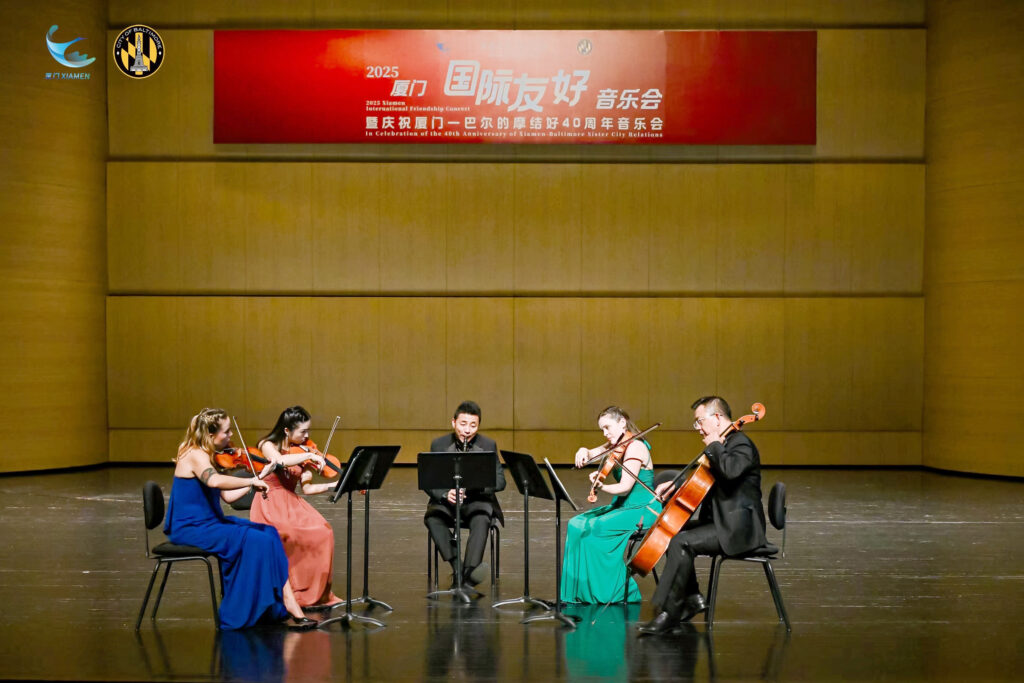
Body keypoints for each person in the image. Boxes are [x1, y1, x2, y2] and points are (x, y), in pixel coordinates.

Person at [166, 408, 317, 630]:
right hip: (192, 528)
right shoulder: (194, 453)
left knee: (269, 533)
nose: (231, 436)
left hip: (210, 523)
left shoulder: (208, 454)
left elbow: (227, 497)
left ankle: (287, 602)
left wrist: (260, 477)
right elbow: (214, 481)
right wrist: (249, 482)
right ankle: (254, 609)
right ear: (210, 434)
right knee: (258, 541)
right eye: (227, 431)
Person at [636, 396, 767, 635]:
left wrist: (715, 445)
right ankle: (692, 598)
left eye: (699, 421)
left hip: (739, 528)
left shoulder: (741, 445)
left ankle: (670, 612)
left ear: (717, 418)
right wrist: (676, 486)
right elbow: (704, 482)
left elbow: (729, 472)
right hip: (720, 521)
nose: (697, 428)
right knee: (672, 531)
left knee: (682, 542)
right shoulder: (723, 443)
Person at [562, 406, 661, 604]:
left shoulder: (635, 447)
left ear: (622, 423)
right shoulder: (616, 445)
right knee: (576, 524)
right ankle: (582, 591)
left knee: (596, 528)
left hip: (642, 509)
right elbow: (593, 452)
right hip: (623, 506)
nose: (605, 433)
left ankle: (618, 590)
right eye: (602, 429)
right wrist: (583, 450)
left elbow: (625, 487)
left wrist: (602, 486)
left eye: (607, 427)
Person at [249, 406, 342, 610]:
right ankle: (293, 593)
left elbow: (307, 489)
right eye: (303, 431)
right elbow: (279, 460)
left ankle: (316, 594)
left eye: (308, 431)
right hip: (269, 501)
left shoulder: (303, 451)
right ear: (286, 430)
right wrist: (309, 456)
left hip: (291, 502)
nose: (307, 436)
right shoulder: (267, 445)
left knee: (324, 531)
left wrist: (335, 485)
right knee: (290, 533)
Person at [423, 400, 505, 590]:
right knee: (433, 518)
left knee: (482, 518)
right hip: (447, 502)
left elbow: (500, 481)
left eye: (473, 425)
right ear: (453, 423)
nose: (467, 430)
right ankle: (460, 571)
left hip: (476, 501)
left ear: (478, 425)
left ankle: (468, 571)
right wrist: (445, 494)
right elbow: (428, 481)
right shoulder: (439, 444)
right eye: (463, 424)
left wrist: (476, 486)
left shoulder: (488, 445)